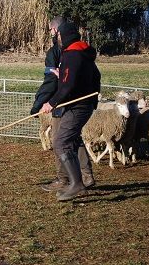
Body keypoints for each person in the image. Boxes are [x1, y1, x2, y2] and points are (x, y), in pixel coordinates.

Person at [31, 17, 95, 193]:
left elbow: (57, 82)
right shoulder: (79, 50)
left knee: (61, 141)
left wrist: (45, 103)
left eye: (52, 31)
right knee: (70, 139)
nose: (52, 35)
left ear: (59, 32)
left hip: (68, 102)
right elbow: (88, 77)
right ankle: (80, 178)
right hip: (68, 101)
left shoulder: (71, 52)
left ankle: (70, 181)